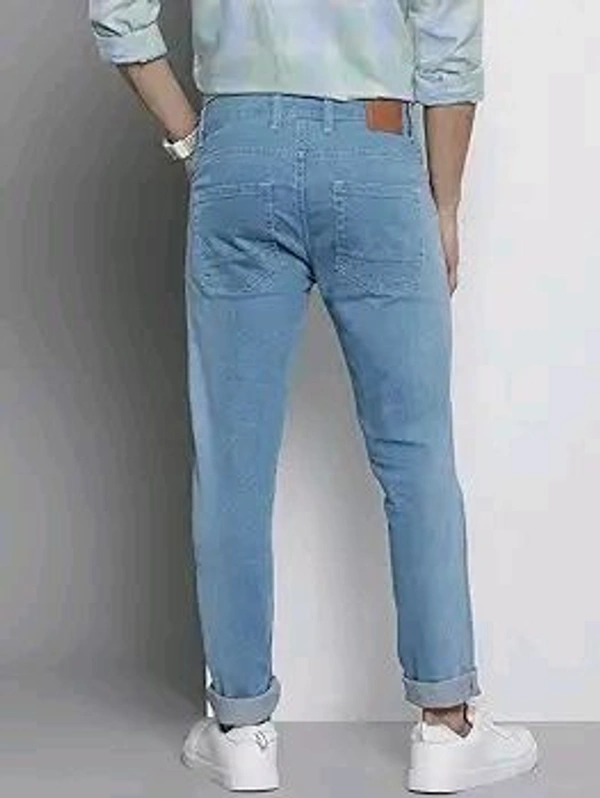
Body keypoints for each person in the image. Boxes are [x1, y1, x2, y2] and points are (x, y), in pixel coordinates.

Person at [89, 0, 538, 793]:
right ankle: (446, 726)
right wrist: (443, 206)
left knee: (232, 462)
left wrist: (195, 140)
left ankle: (241, 729)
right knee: (415, 454)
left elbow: (117, 12)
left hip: (238, 146)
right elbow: (449, 46)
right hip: (375, 146)